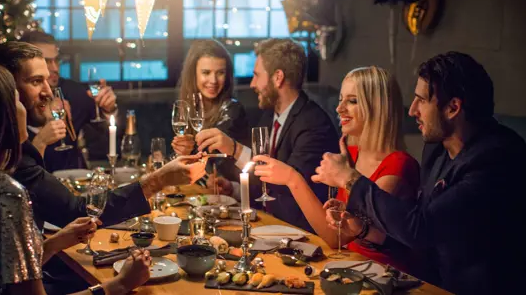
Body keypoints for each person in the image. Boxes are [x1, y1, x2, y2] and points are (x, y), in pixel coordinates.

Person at [312, 52, 526, 294]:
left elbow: (424, 229)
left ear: (453, 107)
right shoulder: (437, 149)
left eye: (422, 100)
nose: (412, 110)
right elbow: (414, 231)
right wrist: (363, 230)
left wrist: (350, 179)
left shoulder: (496, 159)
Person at [0, 63, 152, 295]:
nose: (24, 107)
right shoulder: (3, 193)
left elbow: (1, 275)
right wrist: (120, 284)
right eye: (16, 99)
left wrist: (54, 243)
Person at [0, 42, 208, 229]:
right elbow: (78, 212)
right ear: (6, 89)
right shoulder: (7, 159)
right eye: (35, 81)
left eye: (48, 75)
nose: (48, 92)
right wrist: (159, 179)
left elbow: (107, 133)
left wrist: (108, 109)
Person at [253, 66, 420, 273]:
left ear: (377, 108)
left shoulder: (398, 165)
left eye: (352, 101)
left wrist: (292, 178)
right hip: (348, 266)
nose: (339, 109)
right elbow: (333, 234)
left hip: (382, 277)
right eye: (340, 100)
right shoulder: (350, 154)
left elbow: (336, 238)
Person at [196, 38, 339, 232]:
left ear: (278, 77)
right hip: (267, 225)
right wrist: (233, 188)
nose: (253, 84)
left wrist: (235, 149)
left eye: (257, 75)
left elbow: (287, 187)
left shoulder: (313, 124)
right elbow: (264, 186)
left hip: (299, 235)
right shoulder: (269, 116)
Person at [20, 31, 117, 172]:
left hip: (74, 184)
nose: (54, 68)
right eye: (46, 61)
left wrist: (109, 109)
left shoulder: (72, 92)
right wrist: (41, 137)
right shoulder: (13, 102)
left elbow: (109, 142)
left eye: (56, 60)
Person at [172, 40, 249, 182]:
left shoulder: (232, 109)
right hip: (201, 195)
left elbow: (210, 160)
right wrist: (180, 153)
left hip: (229, 197)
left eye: (220, 73)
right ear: (193, 74)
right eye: (206, 72)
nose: (213, 80)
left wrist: (188, 153)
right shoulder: (186, 108)